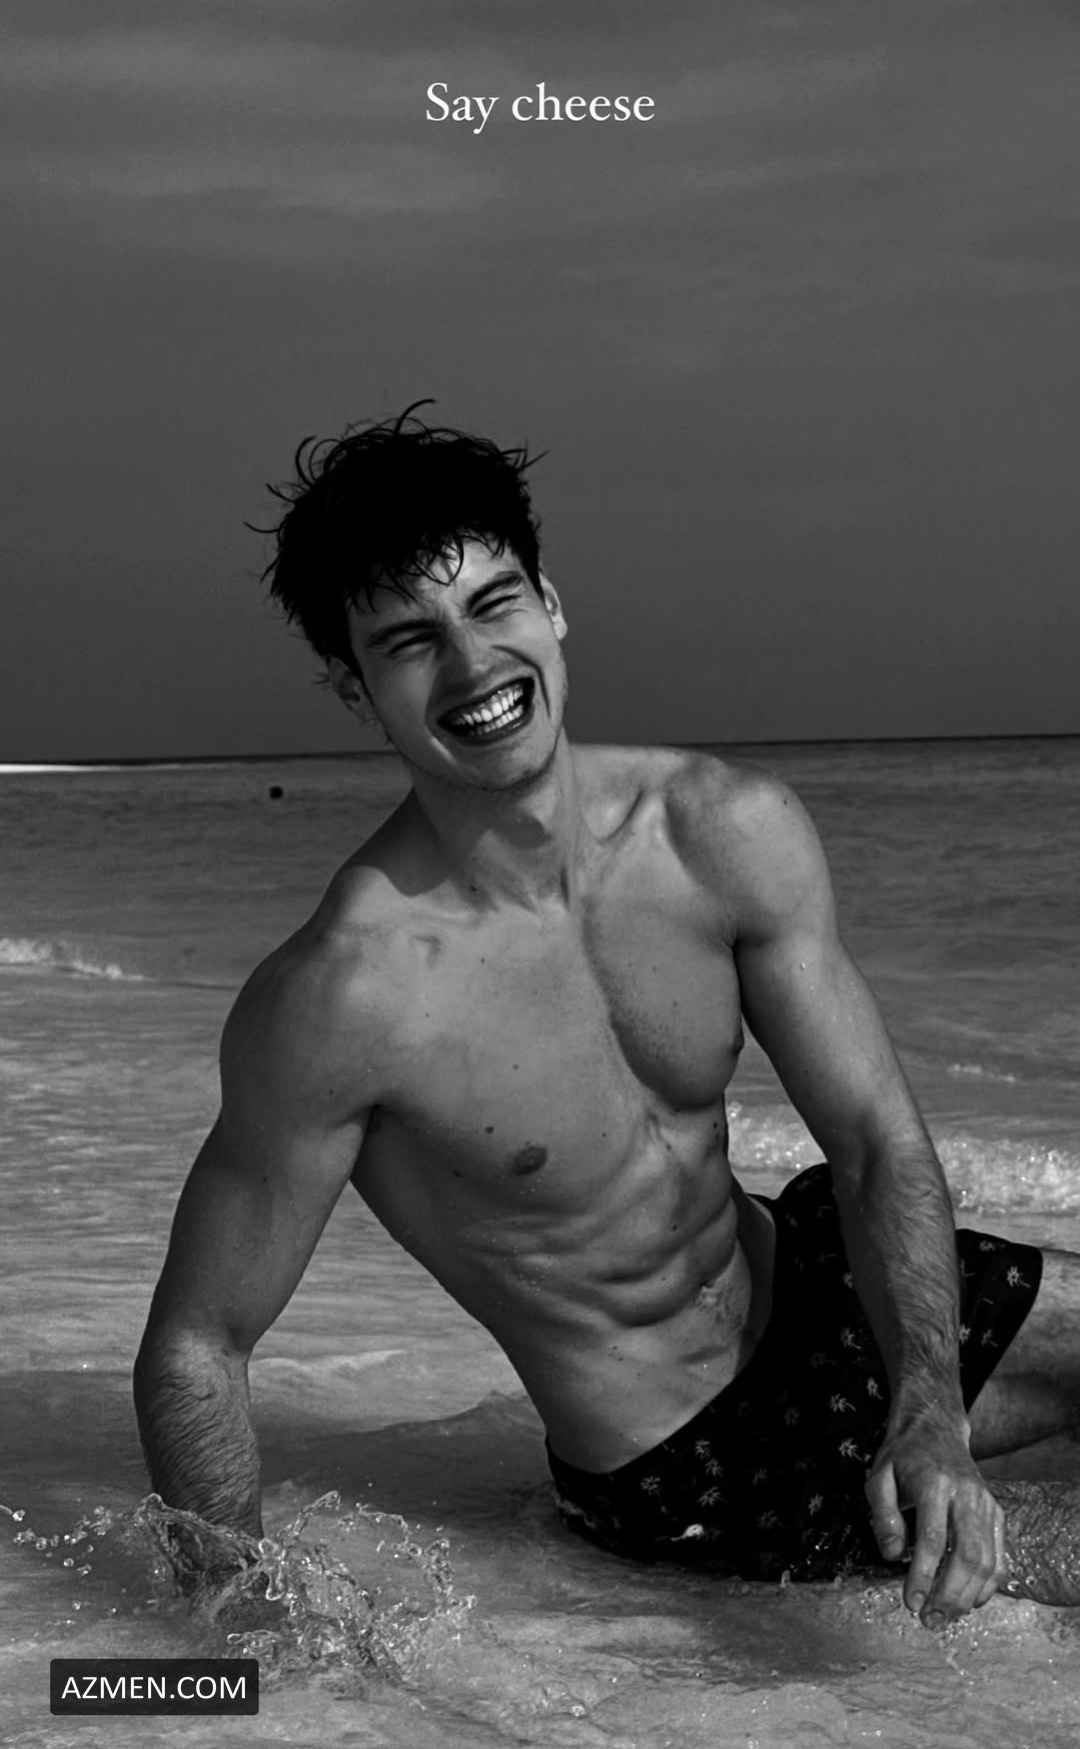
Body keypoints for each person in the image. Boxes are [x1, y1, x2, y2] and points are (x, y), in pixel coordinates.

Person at [134, 405, 1080, 1622]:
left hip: (827, 1282)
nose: (474, 667)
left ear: (552, 603)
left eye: (494, 604)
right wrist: (231, 1626)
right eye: (411, 642)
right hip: (694, 1459)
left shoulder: (719, 831)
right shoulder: (345, 997)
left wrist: (930, 1414)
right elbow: (198, 1345)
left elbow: (873, 1143)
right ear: (353, 688)